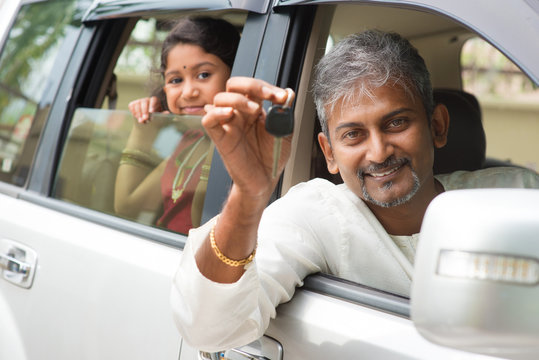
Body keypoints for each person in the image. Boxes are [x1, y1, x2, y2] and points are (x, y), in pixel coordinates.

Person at [170, 30, 539, 351]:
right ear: (329, 153)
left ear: (438, 126)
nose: (378, 152)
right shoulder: (317, 215)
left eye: (396, 123)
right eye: (353, 135)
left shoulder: (517, 194)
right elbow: (210, 331)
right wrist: (248, 197)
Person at [114, 17, 240, 234]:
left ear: (236, 75)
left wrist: (222, 131)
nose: (188, 92)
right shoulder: (189, 140)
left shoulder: (244, 144)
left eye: (203, 75)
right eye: (175, 80)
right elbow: (127, 207)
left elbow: (203, 220)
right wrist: (142, 129)